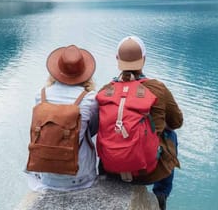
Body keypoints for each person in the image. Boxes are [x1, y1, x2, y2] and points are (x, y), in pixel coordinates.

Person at [99, 36, 183, 210]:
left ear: (117, 59)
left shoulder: (105, 91)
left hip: (111, 170)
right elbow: (177, 122)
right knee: (171, 135)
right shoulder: (158, 88)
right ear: (143, 59)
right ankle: (161, 195)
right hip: (147, 172)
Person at [26, 45, 99, 192]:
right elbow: (92, 131)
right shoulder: (90, 99)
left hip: (46, 176)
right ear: (84, 73)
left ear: (56, 71)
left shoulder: (41, 96)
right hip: (81, 177)